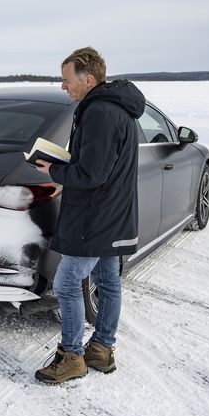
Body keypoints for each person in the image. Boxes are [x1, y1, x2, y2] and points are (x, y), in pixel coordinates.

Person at [34, 47, 144, 383]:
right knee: (108, 281)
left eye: (67, 80)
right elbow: (101, 169)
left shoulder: (99, 113)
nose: (63, 86)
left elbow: (92, 174)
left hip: (94, 217)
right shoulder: (117, 109)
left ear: (89, 79)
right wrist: (67, 180)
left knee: (67, 283)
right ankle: (101, 349)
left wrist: (54, 170)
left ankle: (72, 356)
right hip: (113, 211)